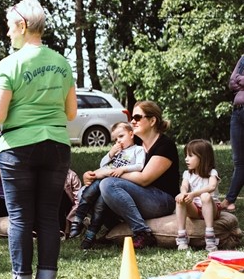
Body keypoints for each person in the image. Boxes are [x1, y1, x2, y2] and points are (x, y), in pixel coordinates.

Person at [0, 0, 76, 279]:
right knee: (49, 216)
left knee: (21, 218)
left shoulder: (9, 64)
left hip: (18, 147)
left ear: (23, 26)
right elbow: (72, 113)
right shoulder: (62, 63)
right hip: (56, 146)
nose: (8, 33)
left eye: (10, 27)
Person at [97, 101, 179, 250]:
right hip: (141, 195)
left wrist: (109, 174)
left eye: (137, 117)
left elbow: (144, 179)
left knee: (108, 184)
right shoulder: (136, 144)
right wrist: (95, 174)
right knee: (94, 187)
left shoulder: (165, 145)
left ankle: (142, 233)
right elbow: (114, 163)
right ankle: (113, 229)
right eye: (132, 117)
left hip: (162, 200)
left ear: (152, 120)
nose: (132, 121)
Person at [69, 122, 146, 245]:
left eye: (121, 136)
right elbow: (102, 165)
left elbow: (139, 165)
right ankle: (78, 220)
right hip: (104, 178)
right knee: (87, 192)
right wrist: (111, 153)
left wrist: (123, 169)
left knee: (100, 206)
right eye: (115, 139)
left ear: (131, 134)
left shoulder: (138, 149)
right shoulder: (117, 151)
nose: (118, 141)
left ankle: (90, 234)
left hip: (116, 183)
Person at [175, 139, 222, 252]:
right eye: (186, 155)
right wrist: (183, 193)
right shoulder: (188, 173)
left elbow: (211, 187)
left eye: (190, 156)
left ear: (203, 157)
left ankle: (210, 236)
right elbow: (184, 186)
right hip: (195, 208)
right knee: (180, 199)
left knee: (205, 196)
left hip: (211, 208)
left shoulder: (212, 173)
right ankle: (182, 236)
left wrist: (193, 194)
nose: (186, 159)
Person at [224, 55, 244, 211]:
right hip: (237, 113)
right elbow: (232, 83)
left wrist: (240, 79)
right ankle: (229, 200)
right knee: (239, 162)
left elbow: (238, 80)